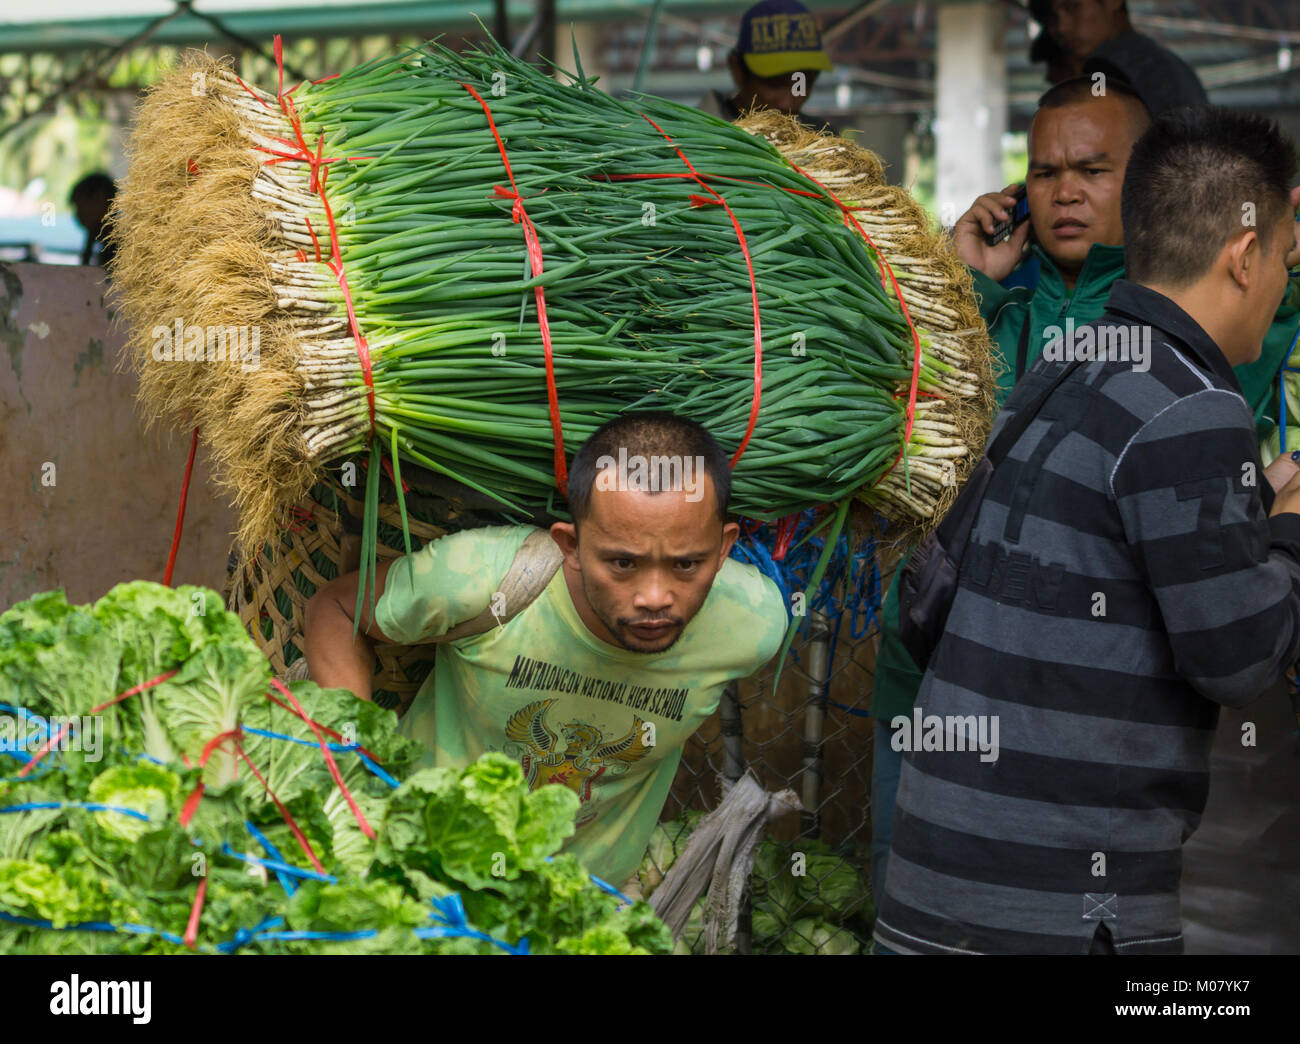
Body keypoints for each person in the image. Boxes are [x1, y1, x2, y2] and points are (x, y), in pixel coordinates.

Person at [873, 105, 1300, 955]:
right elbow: (1241, 655)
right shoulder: (1194, 405)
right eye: (1288, 262)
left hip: (934, 889)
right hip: (1056, 907)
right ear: (1244, 257)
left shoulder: (1062, 365)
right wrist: (1288, 528)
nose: (1288, 287)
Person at [303, 412, 789, 887]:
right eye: (623, 562)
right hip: (414, 877)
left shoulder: (753, 624)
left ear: (724, 548)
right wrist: (352, 766)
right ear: (570, 546)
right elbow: (335, 610)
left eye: (687, 565)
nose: (654, 597)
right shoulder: (482, 578)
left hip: (574, 912)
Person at [1049, 0, 1207, 115]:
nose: (1062, 27)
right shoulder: (1177, 66)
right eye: (1056, 16)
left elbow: (1097, 137)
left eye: (1073, 6)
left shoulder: (1102, 68)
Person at [698, 0, 834, 126]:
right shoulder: (687, 144)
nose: (788, 104)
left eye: (802, 83)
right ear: (737, 69)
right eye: (774, 84)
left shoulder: (825, 139)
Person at [70, 172, 117, 269]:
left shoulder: (120, 246)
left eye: (79, 207)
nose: (78, 216)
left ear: (99, 198)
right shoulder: (101, 242)